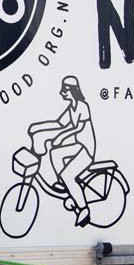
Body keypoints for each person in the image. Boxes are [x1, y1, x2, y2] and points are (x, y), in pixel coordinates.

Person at [29, 75, 97, 226]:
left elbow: (77, 128)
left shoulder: (82, 106)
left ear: (73, 90)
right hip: (77, 146)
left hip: (86, 148)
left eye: (65, 89)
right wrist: (38, 128)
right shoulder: (71, 107)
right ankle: (67, 189)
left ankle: (84, 209)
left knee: (68, 176)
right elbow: (59, 123)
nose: (62, 92)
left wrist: (60, 138)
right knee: (55, 153)